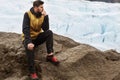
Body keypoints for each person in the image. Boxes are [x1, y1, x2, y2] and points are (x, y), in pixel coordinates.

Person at [22, 0, 60, 80]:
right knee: (30, 50)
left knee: (49, 33)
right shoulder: (27, 14)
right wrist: (28, 42)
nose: (43, 9)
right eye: (41, 7)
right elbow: (25, 29)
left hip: (37, 37)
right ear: (36, 7)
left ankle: (50, 55)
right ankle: (32, 72)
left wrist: (46, 17)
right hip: (28, 39)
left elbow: (46, 29)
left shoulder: (42, 15)